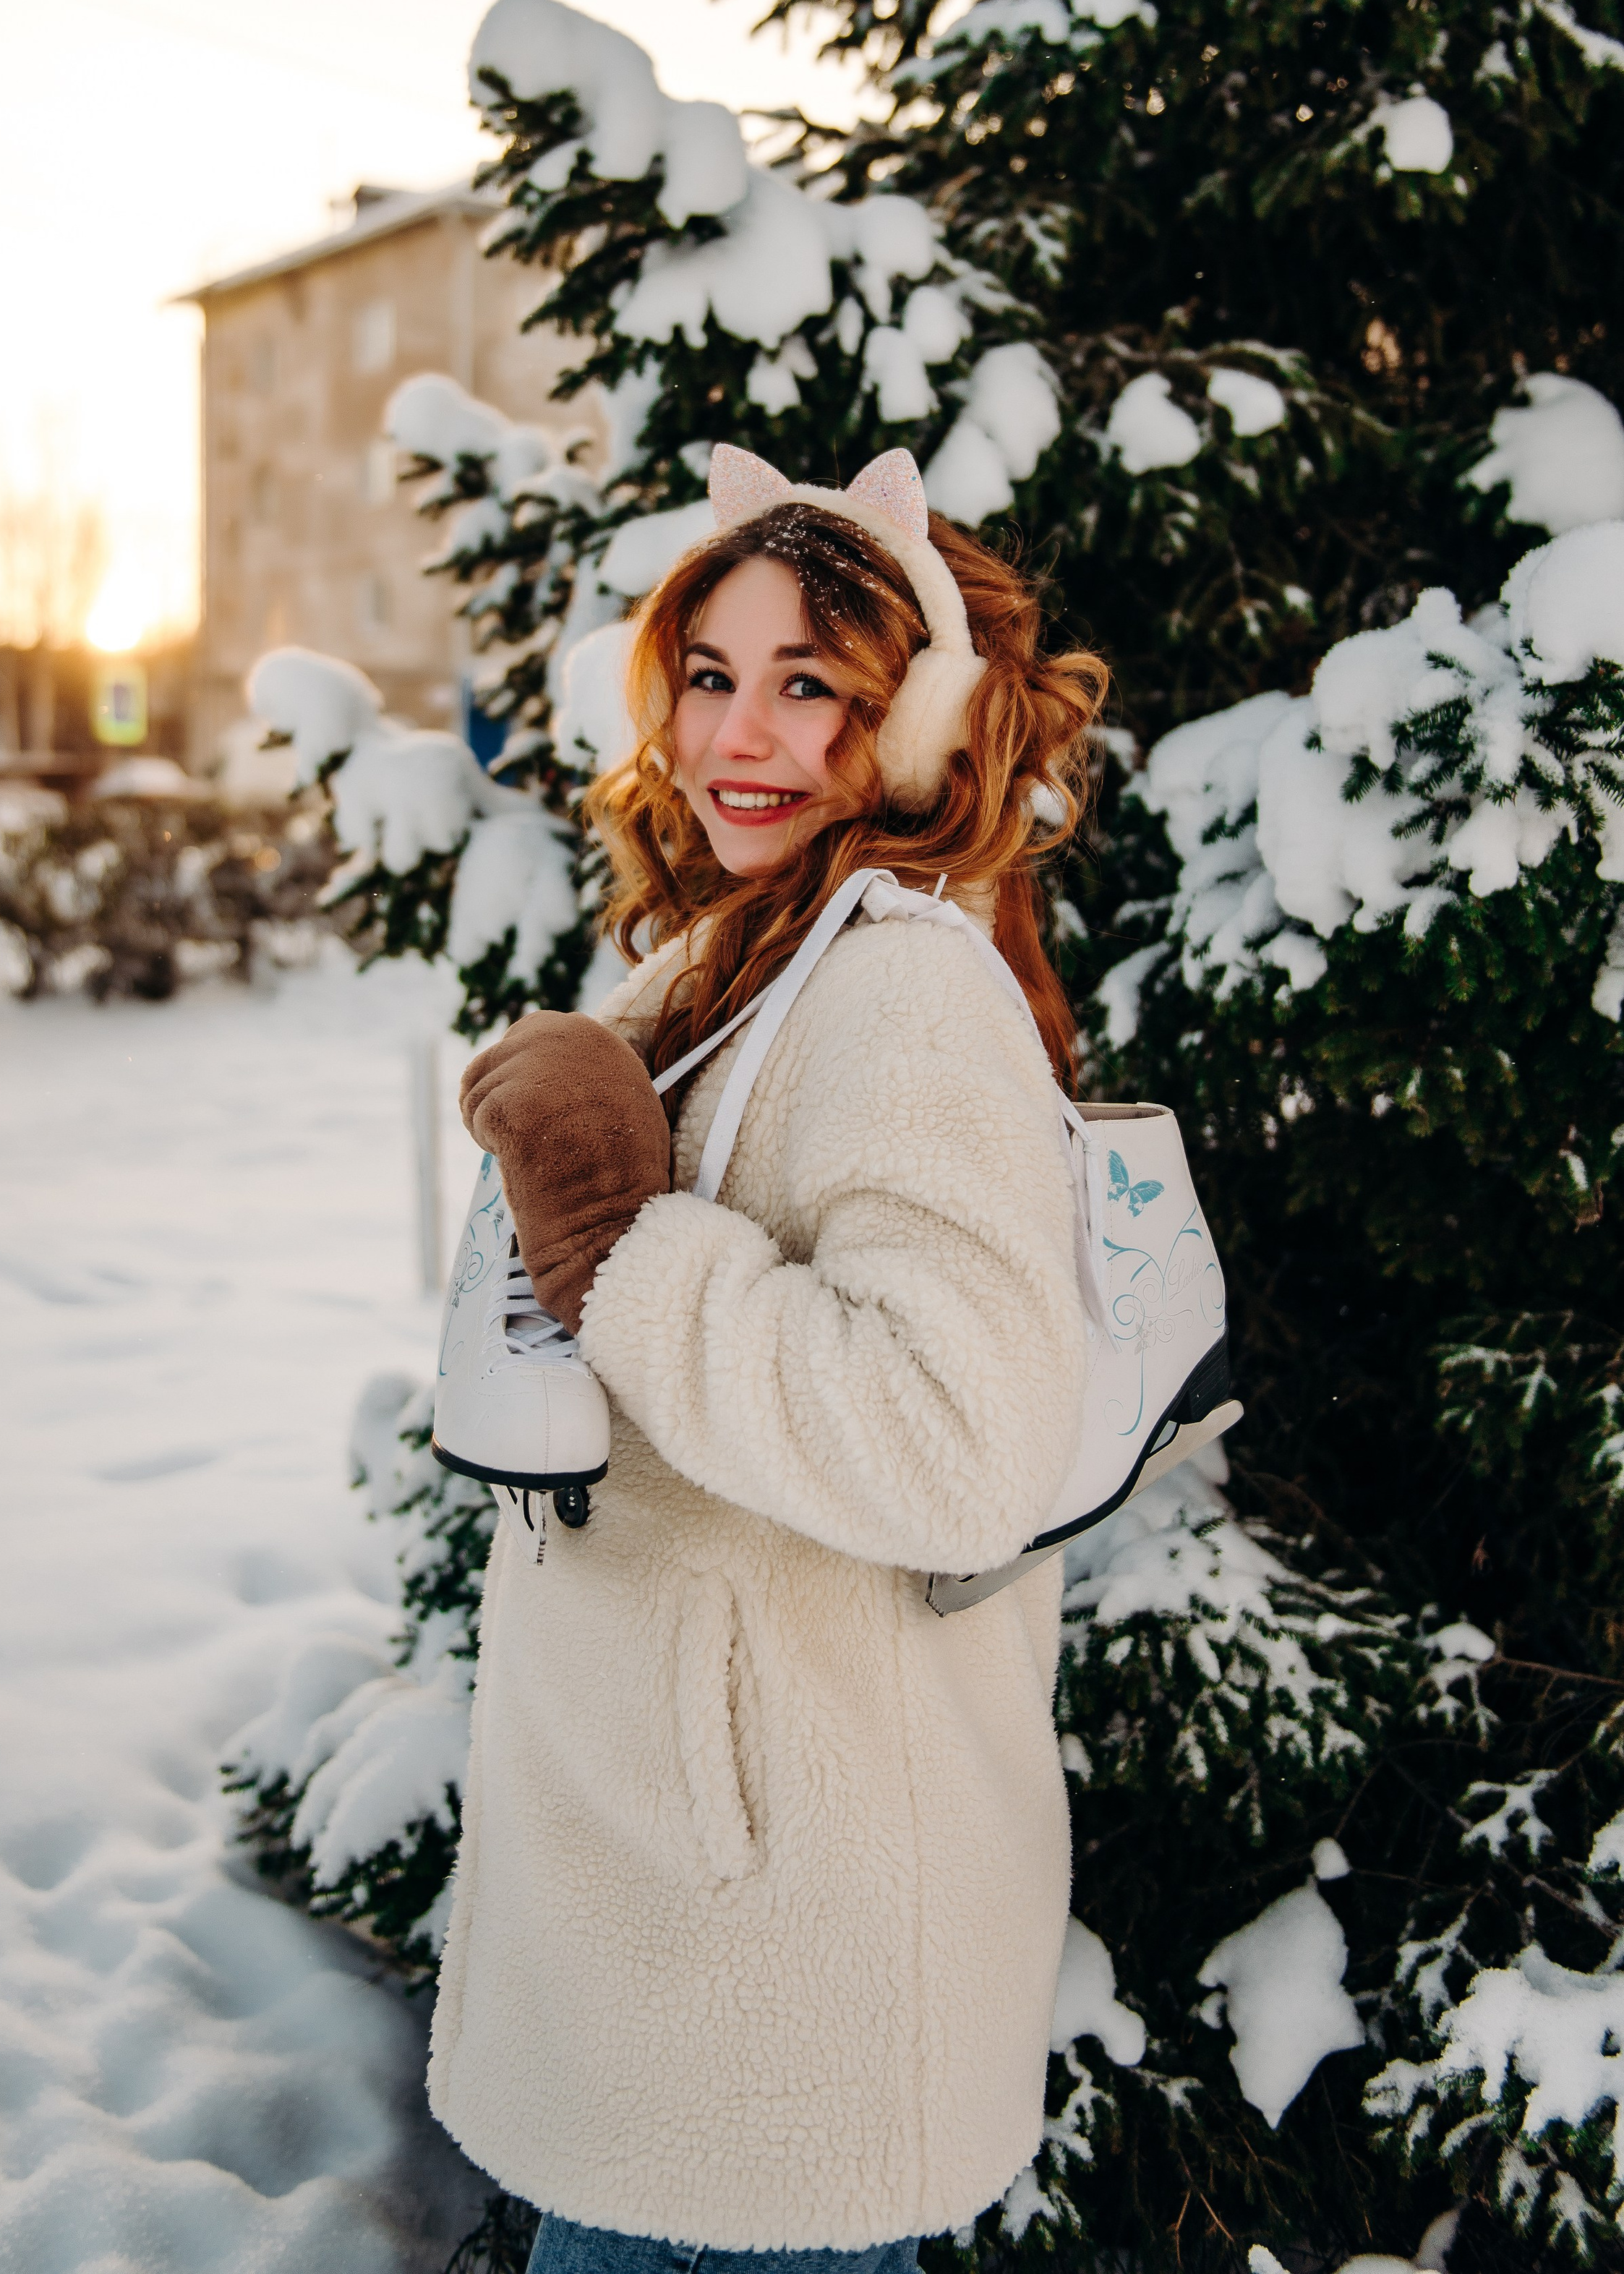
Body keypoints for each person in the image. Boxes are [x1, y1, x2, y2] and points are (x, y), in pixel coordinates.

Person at [427, 443, 1111, 2274]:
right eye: (712, 674)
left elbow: (959, 1436)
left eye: (810, 683)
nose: (744, 732)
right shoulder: (728, 955)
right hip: (658, 1906)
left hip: (771, 1967)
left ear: (916, 722)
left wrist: (619, 1243)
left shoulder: (899, 987)